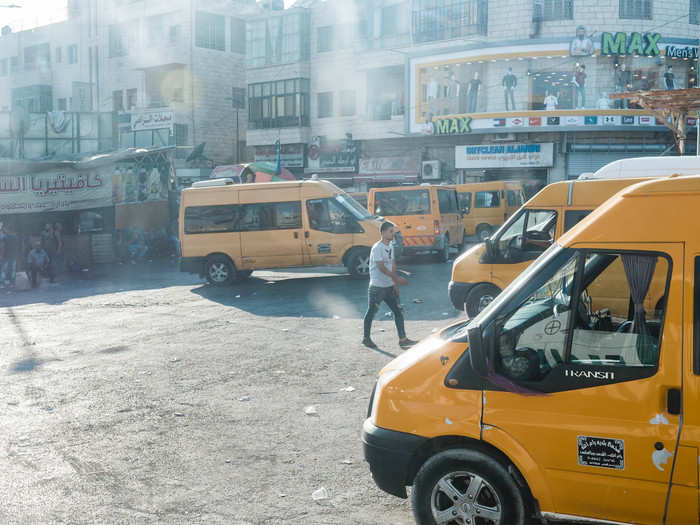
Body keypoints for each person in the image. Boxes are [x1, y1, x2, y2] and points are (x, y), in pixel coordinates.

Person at [363, 222, 417, 350]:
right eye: (390, 231)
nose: (393, 234)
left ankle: (403, 339)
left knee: (398, 311)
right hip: (377, 287)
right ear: (383, 233)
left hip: (388, 286)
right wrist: (397, 279)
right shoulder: (377, 248)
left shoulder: (391, 245)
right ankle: (366, 338)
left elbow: (392, 264)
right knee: (371, 312)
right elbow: (381, 267)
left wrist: (394, 283)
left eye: (393, 231)